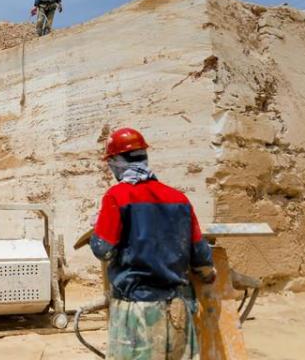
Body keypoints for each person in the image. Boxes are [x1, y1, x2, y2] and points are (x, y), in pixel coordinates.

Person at [90, 128, 216, 359]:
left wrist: (96, 231)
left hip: (137, 311)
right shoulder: (180, 199)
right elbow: (201, 255)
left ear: (117, 162)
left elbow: (103, 249)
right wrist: (208, 276)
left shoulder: (117, 196)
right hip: (178, 308)